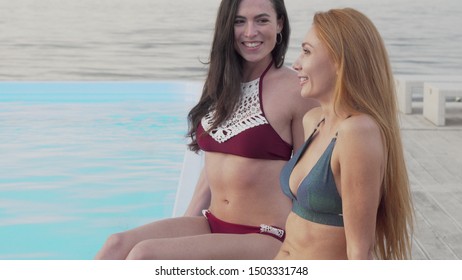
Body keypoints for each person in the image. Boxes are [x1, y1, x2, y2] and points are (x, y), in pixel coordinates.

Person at [95, 0, 317, 260]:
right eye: (239, 21)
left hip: (265, 235)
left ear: (279, 24)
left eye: (262, 20)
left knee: (145, 255)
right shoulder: (219, 83)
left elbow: (310, 178)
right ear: (226, 26)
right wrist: (185, 224)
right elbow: (212, 167)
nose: (250, 32)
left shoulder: (296, 90)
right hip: (212, 223)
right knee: (115, 245)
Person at [274, 8, 414, 260]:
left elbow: (360, 249)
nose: (296, 64)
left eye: (306, 51)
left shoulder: (357, 132)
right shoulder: (314, 120)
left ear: (340, 60)